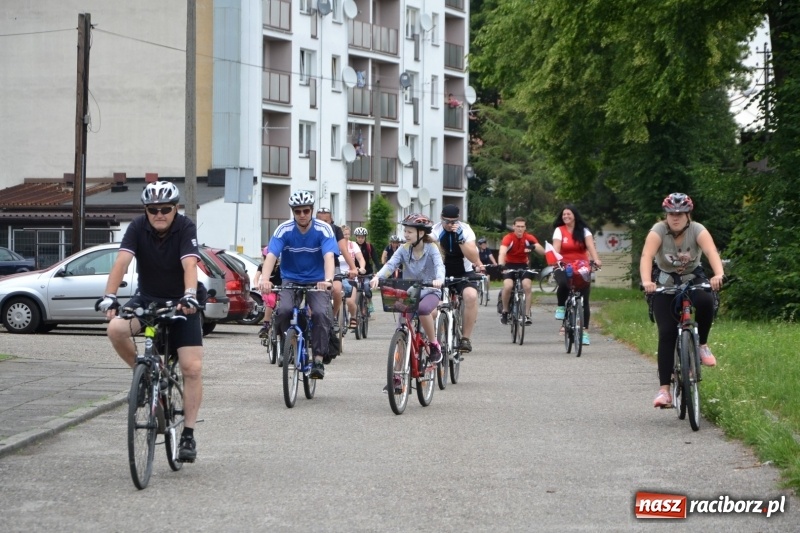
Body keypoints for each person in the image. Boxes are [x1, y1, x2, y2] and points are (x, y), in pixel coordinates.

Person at [97, 181, 203, 463]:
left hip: (183, 302)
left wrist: (190, 295)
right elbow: (122, 262)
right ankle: (144, 374)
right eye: (152, 209)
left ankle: (188, 435)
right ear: (145, 210)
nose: (159, 214)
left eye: (165, 209)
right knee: (116, 328)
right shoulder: (136, 228)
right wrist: (110, 295)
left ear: (175, 208)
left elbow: (190, 265)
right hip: (148, 299)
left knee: (191, 368)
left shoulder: (185, 227)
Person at [640, 193, 724, 408]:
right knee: (667, 332)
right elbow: (647, 257)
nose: (675, 217)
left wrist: (718, 274)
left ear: (688, 214)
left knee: (705, 301)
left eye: (680, 213)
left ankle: (702, 345)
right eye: (671, 213)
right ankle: (664, 391)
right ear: (666, 215)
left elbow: (711, 251)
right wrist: (647, 282)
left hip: (693, 277)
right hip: (666, 281)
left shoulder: (697, 230)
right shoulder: (657, 231)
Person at [259, 191, 338, 379]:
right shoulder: (283, 230)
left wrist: (327, 281)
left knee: (320, 313)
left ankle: (318, 359)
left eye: (305, 211)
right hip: (290, 279)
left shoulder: (324, 230)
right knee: (284, 310)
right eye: (297, 211)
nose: (302, 215)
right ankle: (290, 344)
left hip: (317, 280)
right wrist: (264, 279)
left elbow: (329, 258)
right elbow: (271, 256)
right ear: (292, 212)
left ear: (311, 211)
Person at [371, 213, 445, 368]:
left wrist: (439, 280)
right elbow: (390, 265)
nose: (406, 235)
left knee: (424, 309)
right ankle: (397, 376)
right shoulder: (403, 249)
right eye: (405, 231)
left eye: (410, 232)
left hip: (431, 290)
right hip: (411, 292)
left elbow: (439, 265)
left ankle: (433, 345)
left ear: (421, 233)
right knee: (402, 327)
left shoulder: (431, 248)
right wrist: (377, 277)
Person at [431, 204, 484, 354]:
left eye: (453, 222)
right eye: (446, 221)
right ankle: (433, 336)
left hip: (463, 272)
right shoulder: (435, 231)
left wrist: (460, 240)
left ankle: (465, 338)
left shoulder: (465, 230)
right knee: (433, 303)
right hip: (440, 272)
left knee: (471, 296)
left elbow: (474, 257)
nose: (449, 225)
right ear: (441, 219)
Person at [551, 206, 602, 345]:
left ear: (575, 215)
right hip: (563, 264)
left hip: (581, 266)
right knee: (563, 284)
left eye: (568, 213)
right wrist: (556, 260)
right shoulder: (559, 230)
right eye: (563, 214)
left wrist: (596, 259)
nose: (566, 216)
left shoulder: (584, 231)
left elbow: (591, 246)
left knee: (584, 300)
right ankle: (561, 306)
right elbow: (556, 247)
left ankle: (584, 331)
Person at [316, 207, 359, 334]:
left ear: (332, 220)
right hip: (315, 266)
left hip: (333, 264)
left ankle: (333, 316)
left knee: (337, 289)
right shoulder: (312, 230)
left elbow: (343, 249)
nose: (324, 224)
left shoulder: (336, 230)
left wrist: (353, 267)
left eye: (327, 221)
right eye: (320, 221)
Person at [497, 217, 545, 326]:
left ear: (525, 227)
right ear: (513, 227)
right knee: (508, 286)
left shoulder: (529, 237)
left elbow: (543, 252)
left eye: (522, 227)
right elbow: (502, 253)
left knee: (527, 286)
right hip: (509, 265)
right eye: (517, 226)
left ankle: (527, 315)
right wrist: (501, 265)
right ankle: (505, 311)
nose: (520, 229)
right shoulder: (508, 238)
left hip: (523, 265)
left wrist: (533, 247)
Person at [339, 225, 366, 330]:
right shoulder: (335, 245)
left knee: (350, 301)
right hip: (337, 275)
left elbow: (360, 258)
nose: (346, 236)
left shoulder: (353, 244)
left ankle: (353, 317)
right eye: (344, 234)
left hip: (351, 276)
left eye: (347, 234)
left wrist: (362, 267)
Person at [255, 246, 282, 338]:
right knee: (270, 302)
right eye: (266, 257)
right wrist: (256, 284)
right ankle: (266, 325)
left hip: (281, 288)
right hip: (269, 290)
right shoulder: (262, 266)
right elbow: (256, 277)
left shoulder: (281, 266)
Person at [353, 226, 380, 312]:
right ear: (356, 237)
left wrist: (379, 271)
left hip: (367, 272)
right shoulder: (353, 246)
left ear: (365, 237)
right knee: (355, 289)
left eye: (362, 237)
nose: (360, 239)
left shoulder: (369, 246)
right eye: (359, 237)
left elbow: (375, 259)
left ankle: (369, 301)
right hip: (355, 272)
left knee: (366, 287)